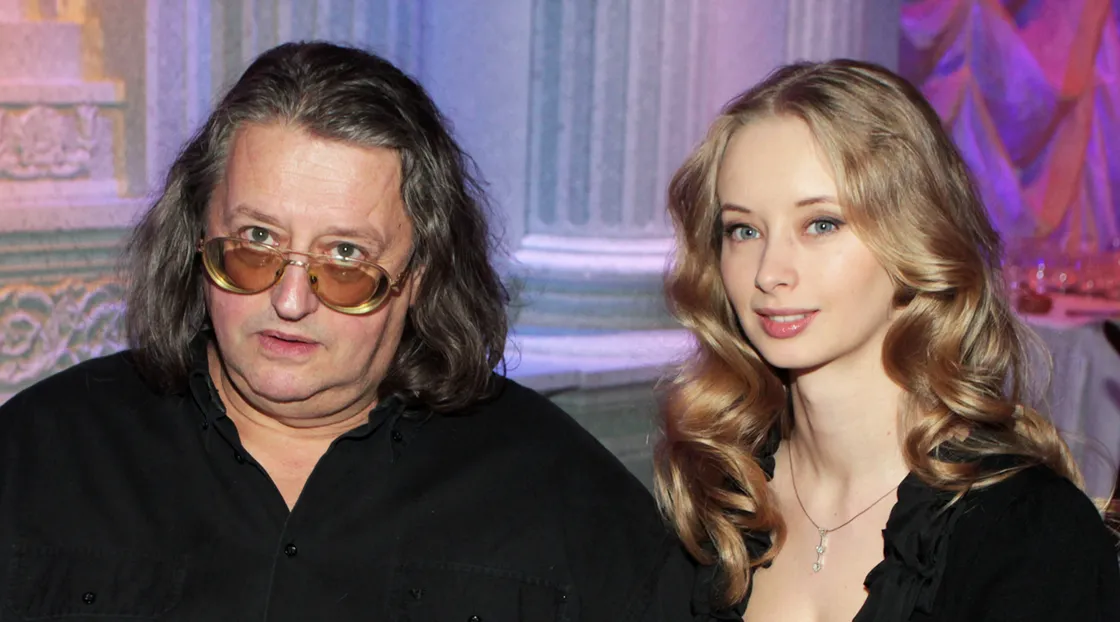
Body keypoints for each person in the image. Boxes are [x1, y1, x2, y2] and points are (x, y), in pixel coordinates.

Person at [0, 41, 695, 620]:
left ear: (418, 276)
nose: (290, 300)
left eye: (345, 258)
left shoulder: (559, 493)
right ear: (196, 237)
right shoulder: (39, 455)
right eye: (256, 241)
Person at [655, 59, 1120, 621]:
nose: (769, 272)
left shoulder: (1030, 534)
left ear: (916, 237)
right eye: (744, 230)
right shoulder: (717, 497)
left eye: (822, 224)